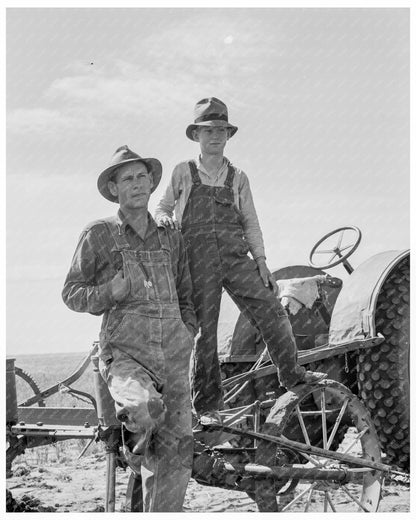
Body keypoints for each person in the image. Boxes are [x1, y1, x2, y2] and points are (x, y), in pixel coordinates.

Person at [155, 97, 326, 426]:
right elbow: (162, 207)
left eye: (220, 130)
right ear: (197, 135)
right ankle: (207, 407)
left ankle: (292, 374)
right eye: (208, 130)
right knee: (206, 332)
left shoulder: (238, 177)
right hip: (197, 258)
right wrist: (163, 218)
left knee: (272, 309)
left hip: (236, 256)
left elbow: (250, 222)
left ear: (228, 135)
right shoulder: (183, 172)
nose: (215, 136)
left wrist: (261, 260)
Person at [62, 145, 197, 512]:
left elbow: (186, 292)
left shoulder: (171, 235)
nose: (137, 184)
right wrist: (109, 291)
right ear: (114, 189)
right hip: (126, 354)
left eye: (142, 177)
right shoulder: (99, 233)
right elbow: (71, 293)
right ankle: (135, 449)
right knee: (143, 409)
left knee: (178, 455)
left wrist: (187, 330)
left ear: (152, 183)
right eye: (127, 179)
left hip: (173, 354)